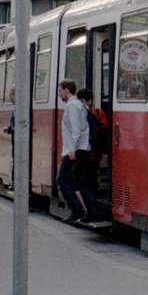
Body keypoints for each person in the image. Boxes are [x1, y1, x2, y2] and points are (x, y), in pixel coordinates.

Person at [55, 78, 89, 222]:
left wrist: (72, 151)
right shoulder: (76, 105)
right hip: (77, 148)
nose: (59, 94)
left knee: (62, 179)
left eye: (60, 91)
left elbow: (76, 130)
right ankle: (89, 210)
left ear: (67, 90)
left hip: (74, 150)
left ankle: (77, 210)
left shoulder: (72, 106)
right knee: (81, 181)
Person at [77, 89, 108, 223]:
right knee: (92, 181)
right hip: (96, 155)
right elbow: (105, 131)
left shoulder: (82, 114)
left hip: (86, 154)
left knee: (85, 183)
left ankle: (92, 211)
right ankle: (93, 209)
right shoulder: (99, 113)